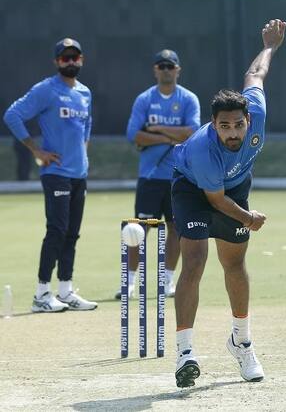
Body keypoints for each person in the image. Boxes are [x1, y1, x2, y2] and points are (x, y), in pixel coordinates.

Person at [171, 19, 286, 388]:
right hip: (194, 188)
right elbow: (215, 200)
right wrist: (249, 218)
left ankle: (241, 342)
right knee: (194, 261)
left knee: (234, 264)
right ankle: (184, 353)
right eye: (224, 127)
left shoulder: (257, 110)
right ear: (213, 123)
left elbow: (255, 74)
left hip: (233, 188)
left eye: (238, 125)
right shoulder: (203, 151)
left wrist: (269, 46)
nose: (233, 133)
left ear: (248, 118)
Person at [3, 38, 97, 312]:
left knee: (72, 233)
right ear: (57, 62)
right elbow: (12, 115)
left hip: (79, 174)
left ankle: (65, 290)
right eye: (65, 58)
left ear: (81, 60)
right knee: (57, 230)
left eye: (74, 57)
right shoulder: (46, 89)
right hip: (56, 172)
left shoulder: (85, 92)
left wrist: (83, 153)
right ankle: (41, 294)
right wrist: (36, 149)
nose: (70, 61)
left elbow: (87, 124)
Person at [115, 49, 201, 300]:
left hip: (179, 177)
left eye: (170, 66)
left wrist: (156, 129)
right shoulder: (144, 99)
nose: (166, 70)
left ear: (178, 70)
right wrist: (170, 137)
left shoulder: (188, 99)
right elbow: (134, 135)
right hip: (150, 177)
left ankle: (167, 281)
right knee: (138, 229)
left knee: (175, 229)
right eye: (161, 66)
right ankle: (130, 283)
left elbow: (192, 132)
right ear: (155, 70)